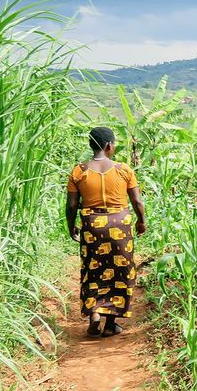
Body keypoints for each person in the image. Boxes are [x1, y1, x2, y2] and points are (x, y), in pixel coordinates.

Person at [66, 127, 146, 337]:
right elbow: (137, 201)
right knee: (120, 271)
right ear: (109, 145)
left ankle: (94, 313)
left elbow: (72, 205)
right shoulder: (124, 170)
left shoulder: (78, 171)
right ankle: (110, 324)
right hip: (119, 225)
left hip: (92, 226)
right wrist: (141, 221)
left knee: (93, 269)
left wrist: (71, 225)